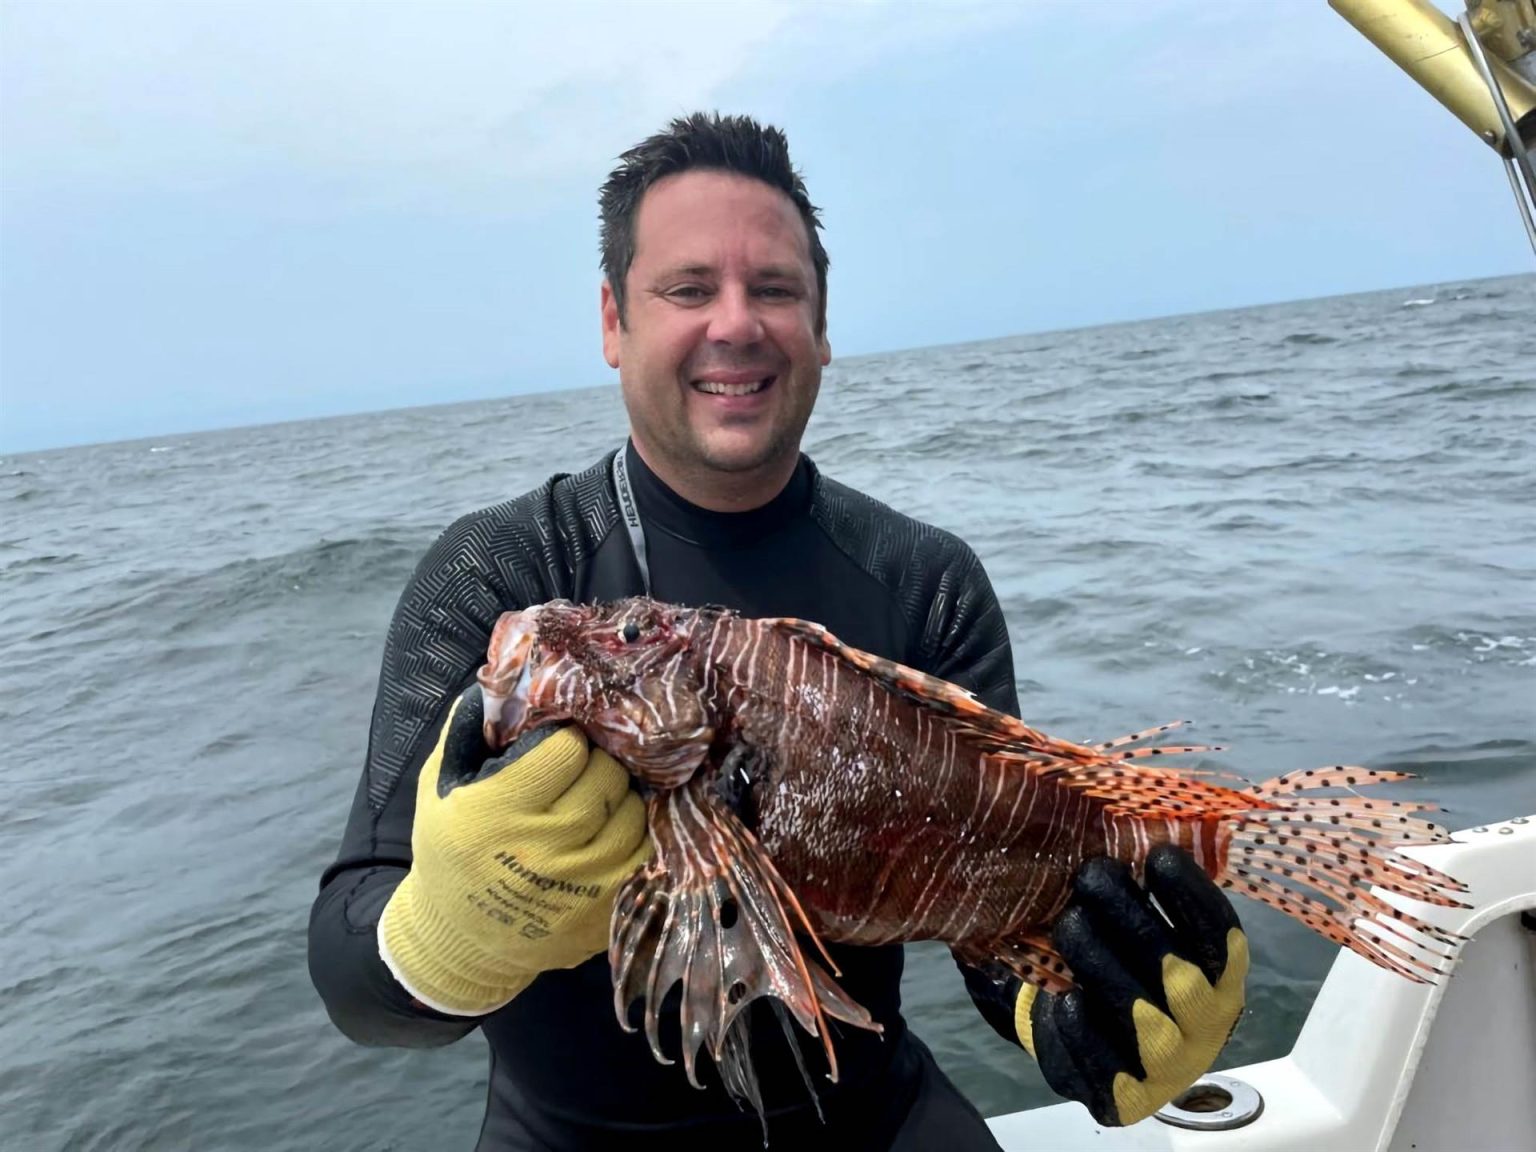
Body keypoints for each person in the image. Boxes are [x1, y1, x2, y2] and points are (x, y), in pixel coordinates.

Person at [307, 112, 1248, 1152]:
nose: (736, 323)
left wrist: (1076, 1012)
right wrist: (454, 929)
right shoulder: (501, 578)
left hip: (872, 1117)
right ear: (614, 320)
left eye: (776, 289)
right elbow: (354, 980)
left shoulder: (927, 581)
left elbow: (992, 902)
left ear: (823, 325)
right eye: (688, 288)